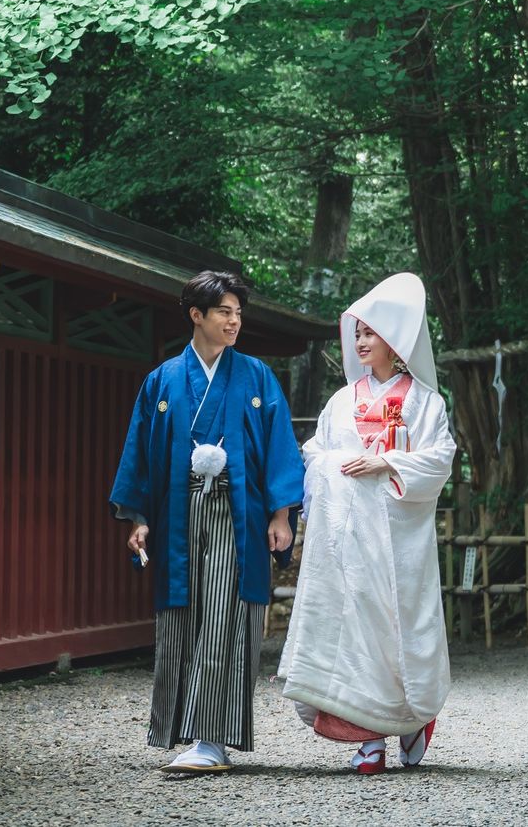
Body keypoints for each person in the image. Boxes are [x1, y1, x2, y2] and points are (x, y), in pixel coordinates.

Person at [109, 270, 304, 773]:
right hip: (178, 510)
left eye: (239, 313)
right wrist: (140, 518)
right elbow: (142, 455)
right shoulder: (163, 380)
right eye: (224, 312)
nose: (235, 321)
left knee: (222, 614)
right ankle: (181, 730)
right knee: (180, 618)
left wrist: (281, 513)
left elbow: (280, 444)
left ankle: (211, 738)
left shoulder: (257, 376)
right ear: (197, 315)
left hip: (238, 513)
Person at [278, 272, 456, 774]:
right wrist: (335, 466)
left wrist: (388, 465)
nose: (359, 342)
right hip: (347, 539)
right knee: (349, 632)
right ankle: (368, 738)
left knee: (395, 626)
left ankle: (413, 717)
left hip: (397, 540)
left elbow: (439, 458)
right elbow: (315, 453)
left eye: (369, 333)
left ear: (394, 341)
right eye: (357, 333)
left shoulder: (425, 401)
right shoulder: (341, 401)